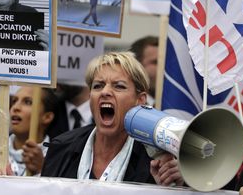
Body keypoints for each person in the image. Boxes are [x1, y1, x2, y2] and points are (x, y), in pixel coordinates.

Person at [38, 52, 182, 185]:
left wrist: (172, 186)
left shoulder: (156, 160)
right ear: (90, 98)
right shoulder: (61, 147)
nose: (105, 92)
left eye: (119, 86)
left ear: (140, 100)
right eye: (98, 86)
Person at [0, 86, 57, 175]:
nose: (15, 107)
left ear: (47, 117)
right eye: (14, 101)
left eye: (28, 102)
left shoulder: (59, 159)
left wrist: (41, 171)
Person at [129, 36, 158, 106]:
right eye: (156, 62)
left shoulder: (177, 108)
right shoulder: (126, 108)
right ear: (137, 67)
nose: (163, 69)